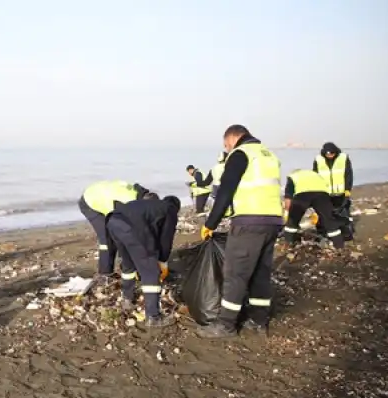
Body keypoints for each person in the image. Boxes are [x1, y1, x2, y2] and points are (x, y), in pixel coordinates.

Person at [198, 125, 283, 339]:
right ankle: (259, 321)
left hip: (249, 222)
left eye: (226, 145)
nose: (227, 149)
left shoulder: (240, 154)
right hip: (273, 220)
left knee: (235, 273)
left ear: (234, 138)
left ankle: (226, 325)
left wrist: (211, 223)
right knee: (260, 273)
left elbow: (226, 191)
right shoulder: (267, 155)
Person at [106, 195, 181, 328]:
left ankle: (127, 299)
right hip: (132, 227)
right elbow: (166, 238)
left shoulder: (149, 206)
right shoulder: (170, 209)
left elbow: (152, 231)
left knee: (128, 264)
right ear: (176, 206)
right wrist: (162, 262)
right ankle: (153, 317)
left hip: (112, 221)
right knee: (151, 272)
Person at [78, 181, 157, 281]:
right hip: (90, 202)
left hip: (101, 193)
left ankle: (121, 266)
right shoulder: (127, 204)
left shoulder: (140, 194)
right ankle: (105, 273)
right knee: (106, 239)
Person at [282, 170, 345, 249]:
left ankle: (288, 244)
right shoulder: (316, 175)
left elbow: (289, 191)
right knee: (329, 221)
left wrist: (289, 206)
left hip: (303, 194)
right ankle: (339, 246)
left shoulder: (293, 175)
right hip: (322, 195)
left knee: (292, 221)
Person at [312, 142, 354, 240]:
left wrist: (347, 189)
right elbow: (315, 176)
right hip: (324, 193)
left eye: (332, 154)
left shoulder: (343, 158)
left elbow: (348, 174)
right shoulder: (318, 160)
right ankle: (322, 233)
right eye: (327, 154)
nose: (330, 156)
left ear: (335, 152)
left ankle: (346, 233)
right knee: (323, 214)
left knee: (343, 214)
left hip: (341, 192)